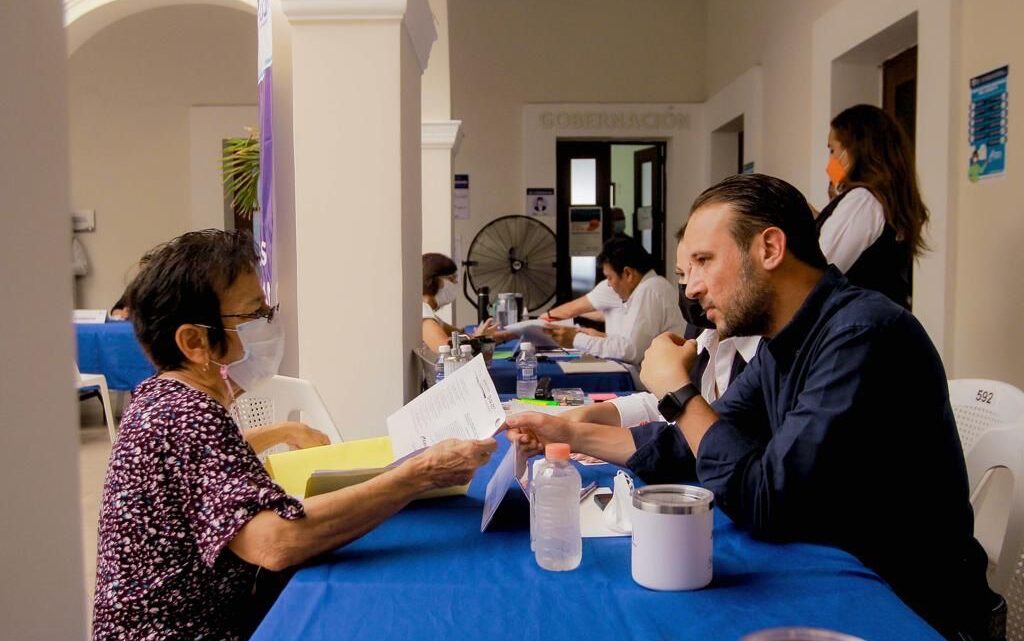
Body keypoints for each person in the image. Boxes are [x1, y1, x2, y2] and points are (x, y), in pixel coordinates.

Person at [508, 174, 1003, 641]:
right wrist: (565, 433)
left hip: (909, 609)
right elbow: (691, 446)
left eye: (704, 261)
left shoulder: (862, 335)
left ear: (769, 248)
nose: (691, 288)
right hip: (824, 574)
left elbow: (768, 500)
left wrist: (678, 391)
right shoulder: (783, 343)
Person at [93, 230, 496, 640]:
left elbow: (205, 461)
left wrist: (283, 430)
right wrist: (419, 474)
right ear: (195, 341)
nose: (269, 323)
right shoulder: (187, 414)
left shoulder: (162, 397)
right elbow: (275, 542)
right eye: (254, 314)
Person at [818, 104, 929, 309]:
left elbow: (817, 267)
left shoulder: (862, 200)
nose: (830, 161)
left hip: (857, 320)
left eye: (832, 150)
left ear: (852, 150)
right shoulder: (882, 200)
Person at [543, 237, 685, 366]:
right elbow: (631, 343)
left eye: (609, 277)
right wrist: (601, 337)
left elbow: (630, 352)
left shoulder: (649, 289)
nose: (609, 285)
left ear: (628, 273)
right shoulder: (647, 288)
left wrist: (576, 339)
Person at [421, 252, 509, 352]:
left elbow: (463, 335)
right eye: (452, 278)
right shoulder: (423, 311)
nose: (456, 282)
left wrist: (506, 335)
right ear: (434, 280)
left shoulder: (432, 316)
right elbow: (445, 349)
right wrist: (478, 339)